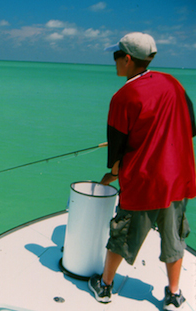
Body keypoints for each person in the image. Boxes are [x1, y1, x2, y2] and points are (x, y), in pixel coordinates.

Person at [88, 32, 196, 311]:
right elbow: (191, 126)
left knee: (122, 234)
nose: (113, 63)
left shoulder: (123, 97)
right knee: (175, 237)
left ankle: (105, 286)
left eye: (115, 57)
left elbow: (117, 154)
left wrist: (109, 176)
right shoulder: (173, 83)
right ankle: (173, 294)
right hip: (177, 178)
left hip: (144, 181)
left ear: (127, 59)